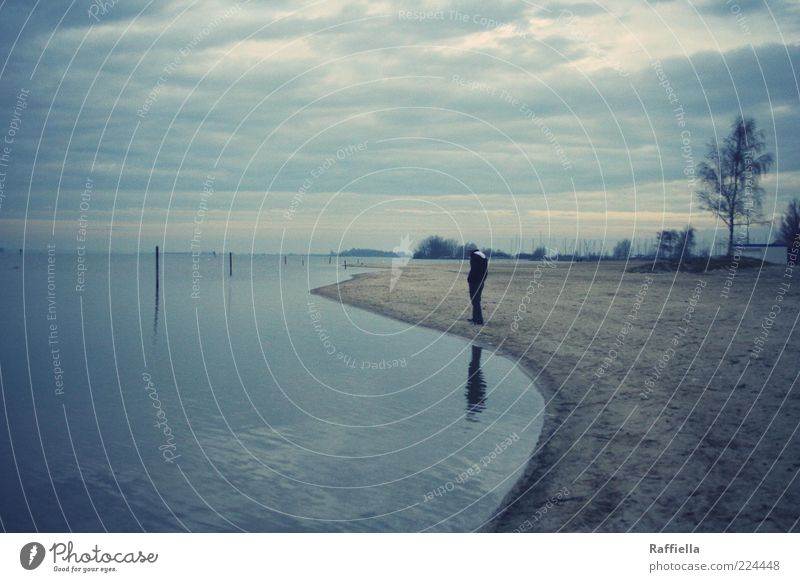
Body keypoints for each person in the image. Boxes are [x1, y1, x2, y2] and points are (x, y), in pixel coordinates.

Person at [467, 245, 488, 324]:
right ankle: (475, 317)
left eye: (468, 251)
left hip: (474, 282)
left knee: (475, 300)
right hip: (481, 281)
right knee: (477, 300)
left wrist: (470, 279)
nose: (468, 253)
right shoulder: (483, 256)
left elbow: (474, 270)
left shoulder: (475, 257)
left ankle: (478, 319)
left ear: (471, 251)